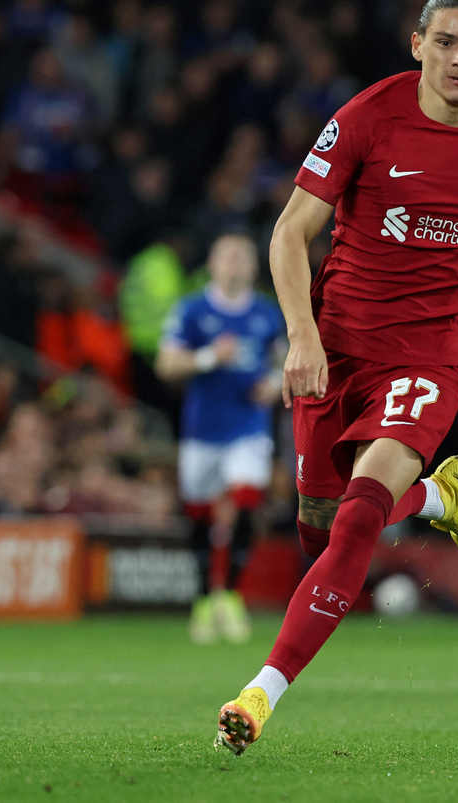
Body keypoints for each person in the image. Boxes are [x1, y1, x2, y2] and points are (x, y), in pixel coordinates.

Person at [214, 0, 458, 755]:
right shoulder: (367, 118)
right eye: (446, 42)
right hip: (337, 347)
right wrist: (301, 335)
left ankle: (261, 691)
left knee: (356, 514)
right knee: (318, 524)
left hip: (432, 357)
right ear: (418, 45)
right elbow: (288, 232)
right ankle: (439, 494)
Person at [157, 232, 286, 644]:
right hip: (202, 430)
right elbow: (166, 364)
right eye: (226, 256)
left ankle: (229, 594)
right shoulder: (193, 310)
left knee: (247, 497)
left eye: (242, 257)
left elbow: (286, 362)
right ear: (212, 264)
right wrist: (210, 356)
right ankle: (202, 598)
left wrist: (274, 382)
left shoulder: (267, 314)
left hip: (248, 427)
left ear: (254, 265)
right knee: (199, 512)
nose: (234, 264)